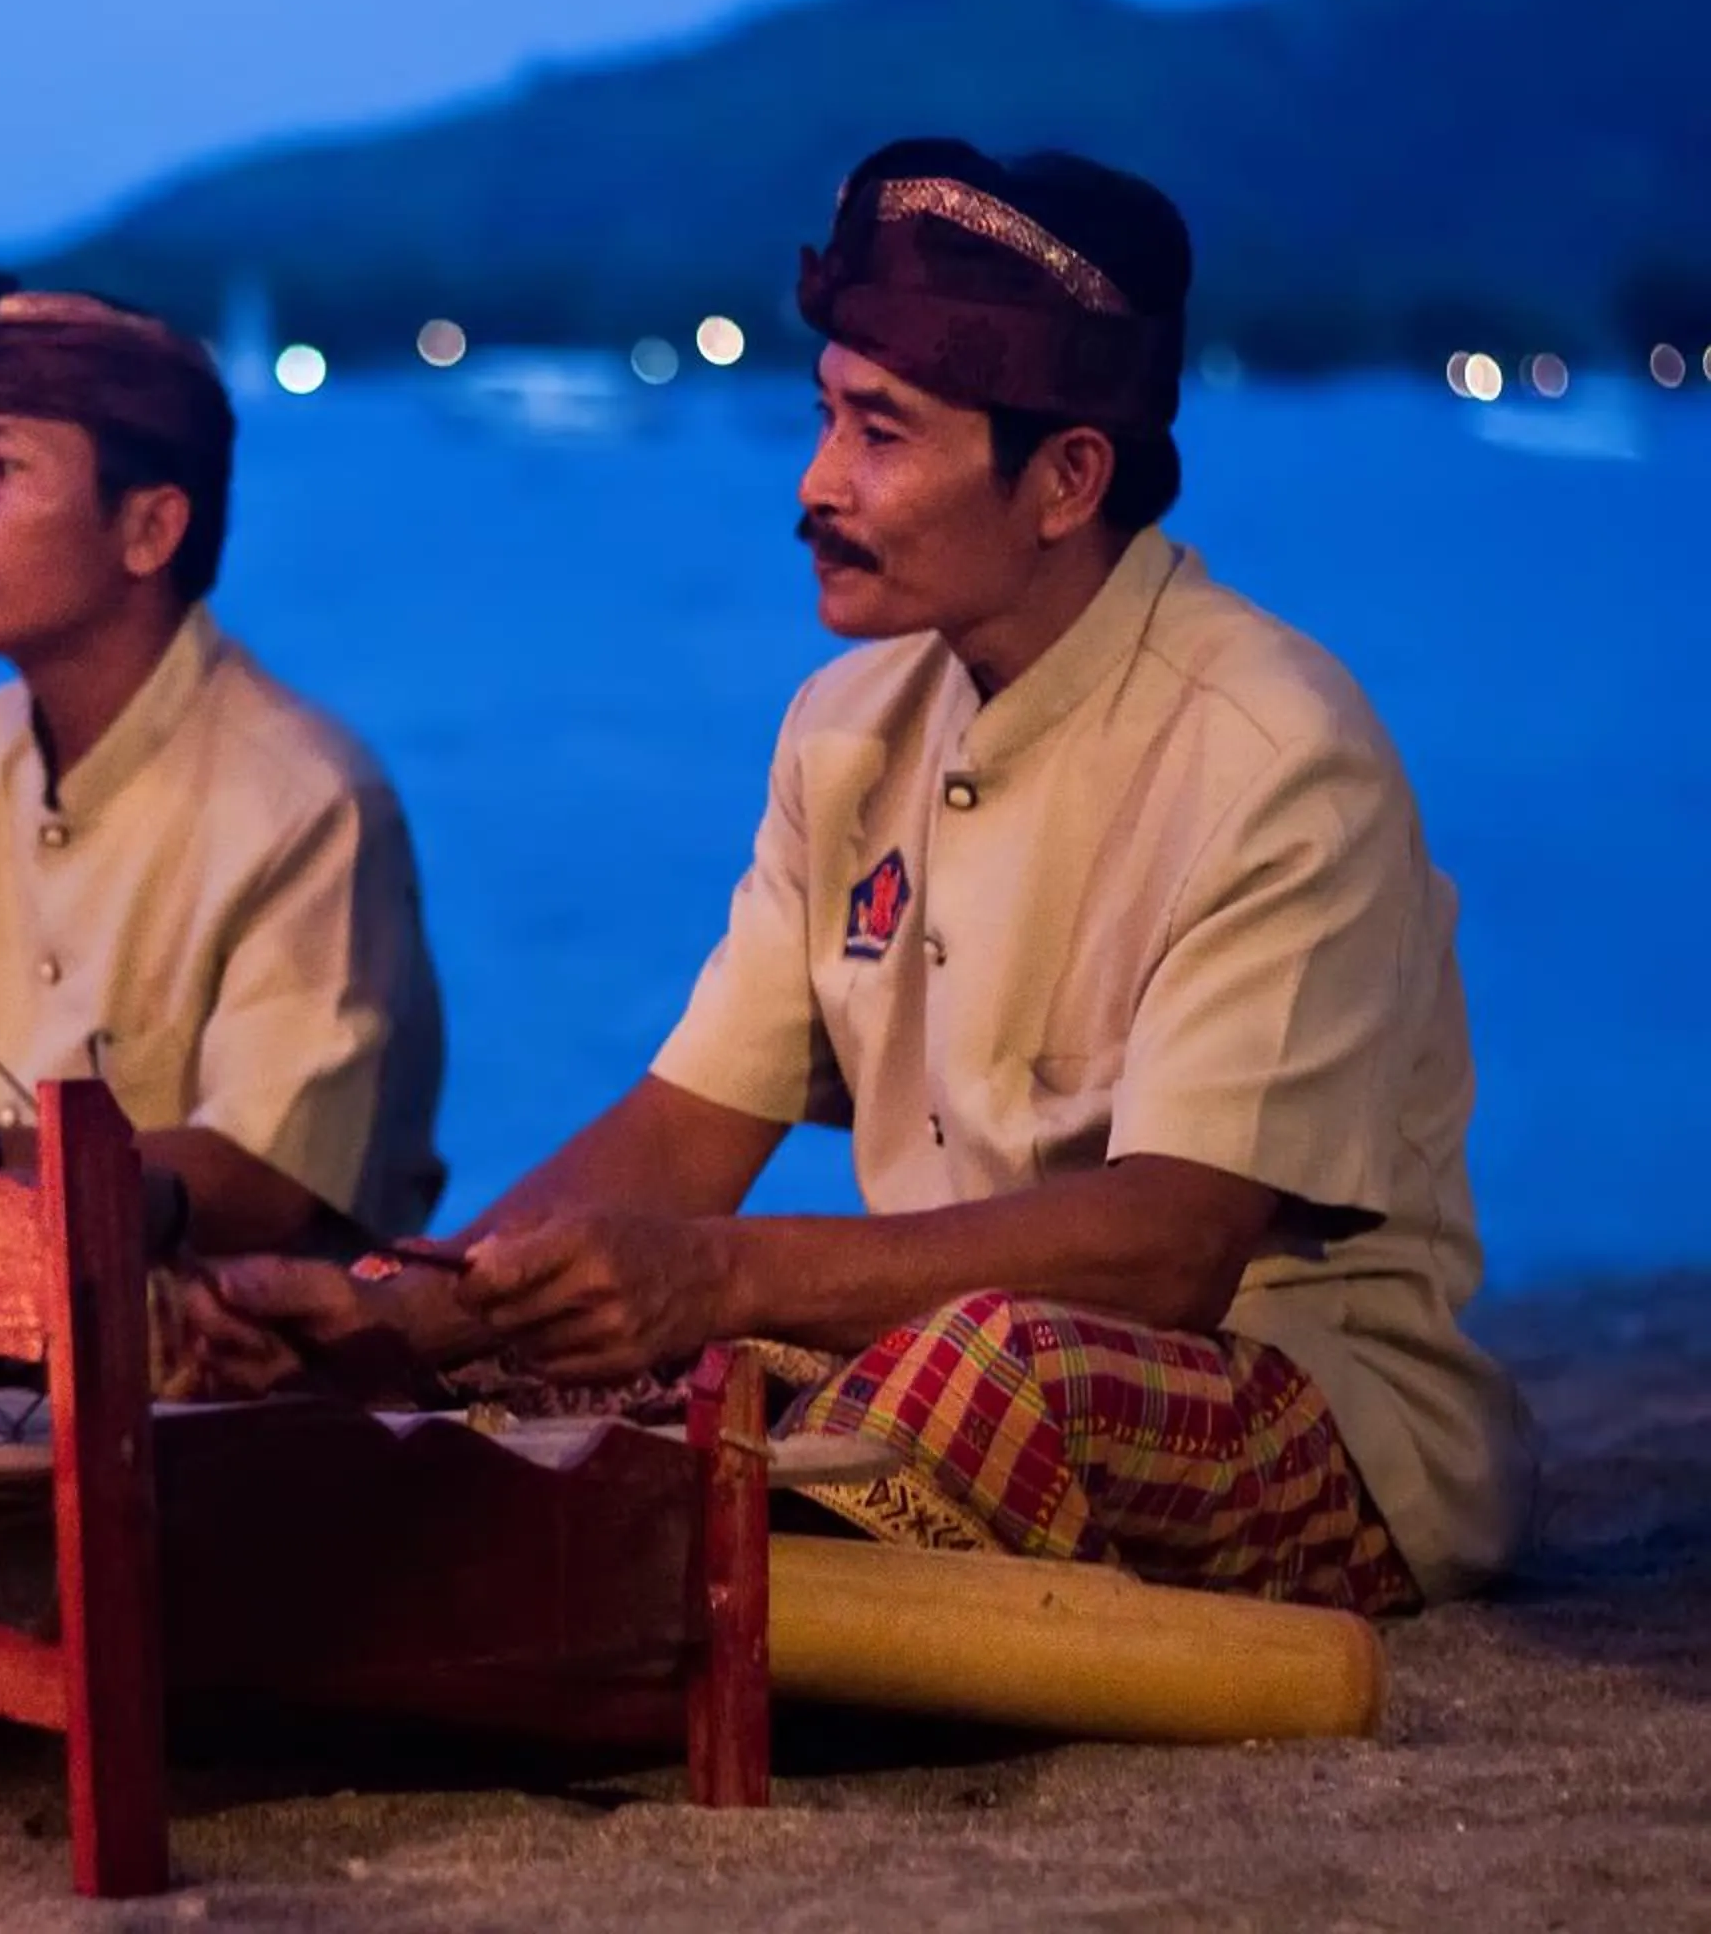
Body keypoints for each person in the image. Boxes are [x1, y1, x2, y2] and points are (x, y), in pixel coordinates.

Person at [193, 140, 1536, 1611]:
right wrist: (404, 1306)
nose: (816, 484)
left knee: (973, 1374)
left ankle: (625, 1577)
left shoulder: (1275, 749)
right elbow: (681, 1132)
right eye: (823, 417)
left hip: (1286, 1399)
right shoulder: (846, 732)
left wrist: (722, 1280)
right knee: (551, 1338)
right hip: (909, 1357)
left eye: (882, 435)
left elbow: (1173, 1251)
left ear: (1067, 479)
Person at [0, 274, 449, 1256]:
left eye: (1, 469)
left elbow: (274, 1176)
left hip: (236, 1387)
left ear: (149, 528)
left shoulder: (305, 797)